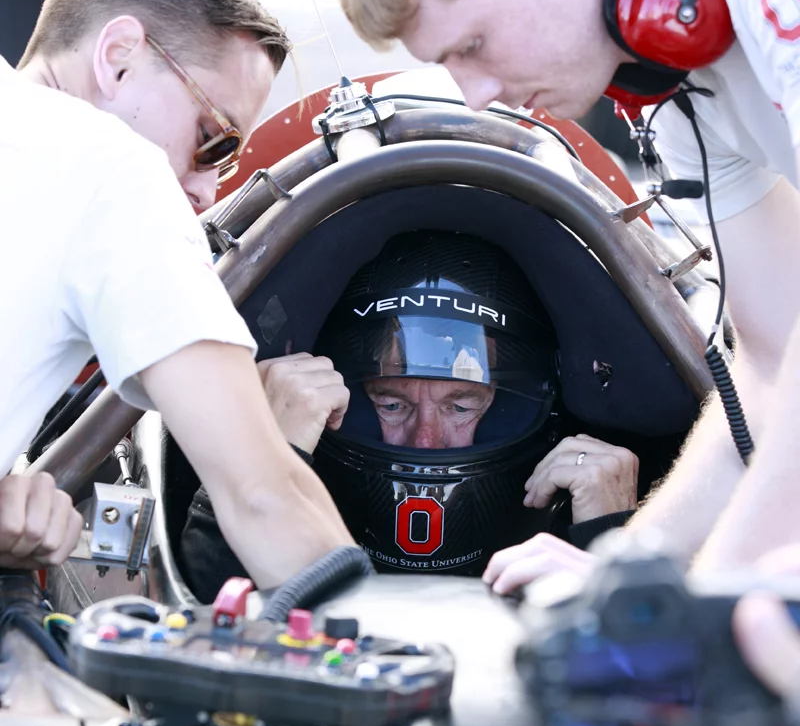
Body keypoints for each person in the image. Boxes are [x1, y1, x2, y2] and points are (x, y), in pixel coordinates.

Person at [336, 0, 800, 608]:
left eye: (472, 44)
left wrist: (706, 605)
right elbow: (772, 358)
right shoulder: (674, 85)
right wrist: (629, 568)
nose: (475, 94)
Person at [0, 0, 352, 588]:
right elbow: (262, 496)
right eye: (213, 140)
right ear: (120, 56)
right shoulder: (115, 170)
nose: (204, 189)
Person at [180, 230, 643, 599]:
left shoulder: (592, 492)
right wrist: (266, 455)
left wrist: (608, 539)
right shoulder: (294, 434)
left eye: (460, 405)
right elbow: (204, 607)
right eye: (391, 403)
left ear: (510, 404)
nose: (425, 439)